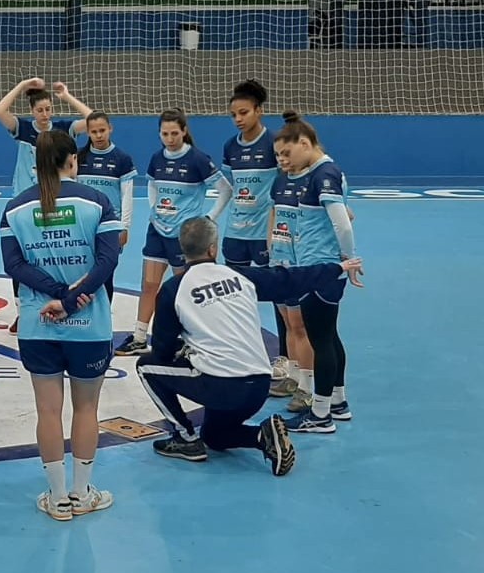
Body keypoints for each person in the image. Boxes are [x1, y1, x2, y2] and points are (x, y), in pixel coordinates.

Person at [135, 218, 361, 475]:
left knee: (146, 367)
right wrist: (338, 267)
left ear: (182, 249)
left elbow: (162, 349)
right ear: (213, 248)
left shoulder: (174, 289)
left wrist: (182, 349)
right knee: (215, 436)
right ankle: (262, 437)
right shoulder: (240, 276)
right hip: (259, 387)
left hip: (221, 387)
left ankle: (185, 439)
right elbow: (291, 278)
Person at [0, 131, 121, 522]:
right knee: (87, 408)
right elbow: (108, 260)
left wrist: (55, 296)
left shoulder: (14, 210)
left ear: (36, 164)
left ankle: (56, 498)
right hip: (89, 325)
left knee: (47, 412)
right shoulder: (97, 201)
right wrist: (73, 298)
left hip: (38, 324)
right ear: (73, 161)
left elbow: (14, 267)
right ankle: (82, 493)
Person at [114, 109, 232, 357]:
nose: (170, 138)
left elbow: (225, 190)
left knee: (186, 288)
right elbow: (153, 185)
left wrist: (207, 219)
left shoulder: (198, 159)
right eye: (165, 134)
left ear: (184, 131)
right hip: (157, 230)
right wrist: (154, 209)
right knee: (148, 284)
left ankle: (192, 339)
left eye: (174, 133)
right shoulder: (158, 158)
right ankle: (138, 337)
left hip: (184, 236)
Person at [273, 111, 362, 433]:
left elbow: (342, 222)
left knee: (320, 339)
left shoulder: (324, 174)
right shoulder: (325, 173)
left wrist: (349, 261)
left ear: (305, 143)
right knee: (330, 336)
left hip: (320, 268)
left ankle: (320, 415)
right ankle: (338, 403)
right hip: (321, 266)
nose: (285, 160)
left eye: (288, 153)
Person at [0, 78, 93, 335]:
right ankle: (21, 312)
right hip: (26, 201)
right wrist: (22, 85)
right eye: (40, 110)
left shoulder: (62, 130)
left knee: (53, 252)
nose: (45, 114)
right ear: (32, 111)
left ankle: (65, 300)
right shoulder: (24, 130)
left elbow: (93, 119)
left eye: (48, 108)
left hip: (55, 200)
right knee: (23, 258)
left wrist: (67, 96)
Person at [221, 80, 295, 398]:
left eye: (244, 112)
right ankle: (242, 352)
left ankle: (286, 357)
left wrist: (281, 231)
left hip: (265, 233)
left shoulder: (274, 144)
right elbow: (230, 187)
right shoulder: (231, 146)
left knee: (280, 297)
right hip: (235, 231)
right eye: (234, 114)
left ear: (259, 111)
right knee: (235, 295)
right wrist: (212, 219)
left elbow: (286, 186)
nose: (238, 119)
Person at [75, 111, 136, 301]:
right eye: (94, 132)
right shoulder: (79, 158)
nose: (99, 135)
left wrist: (124, 227)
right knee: (82, 274)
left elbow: (127, 196)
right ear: (87, 133)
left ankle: (104, 319)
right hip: (83, 227)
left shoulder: (122, 159)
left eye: (102, 130)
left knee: (105, 276)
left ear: (110, 129)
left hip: (109, 228)